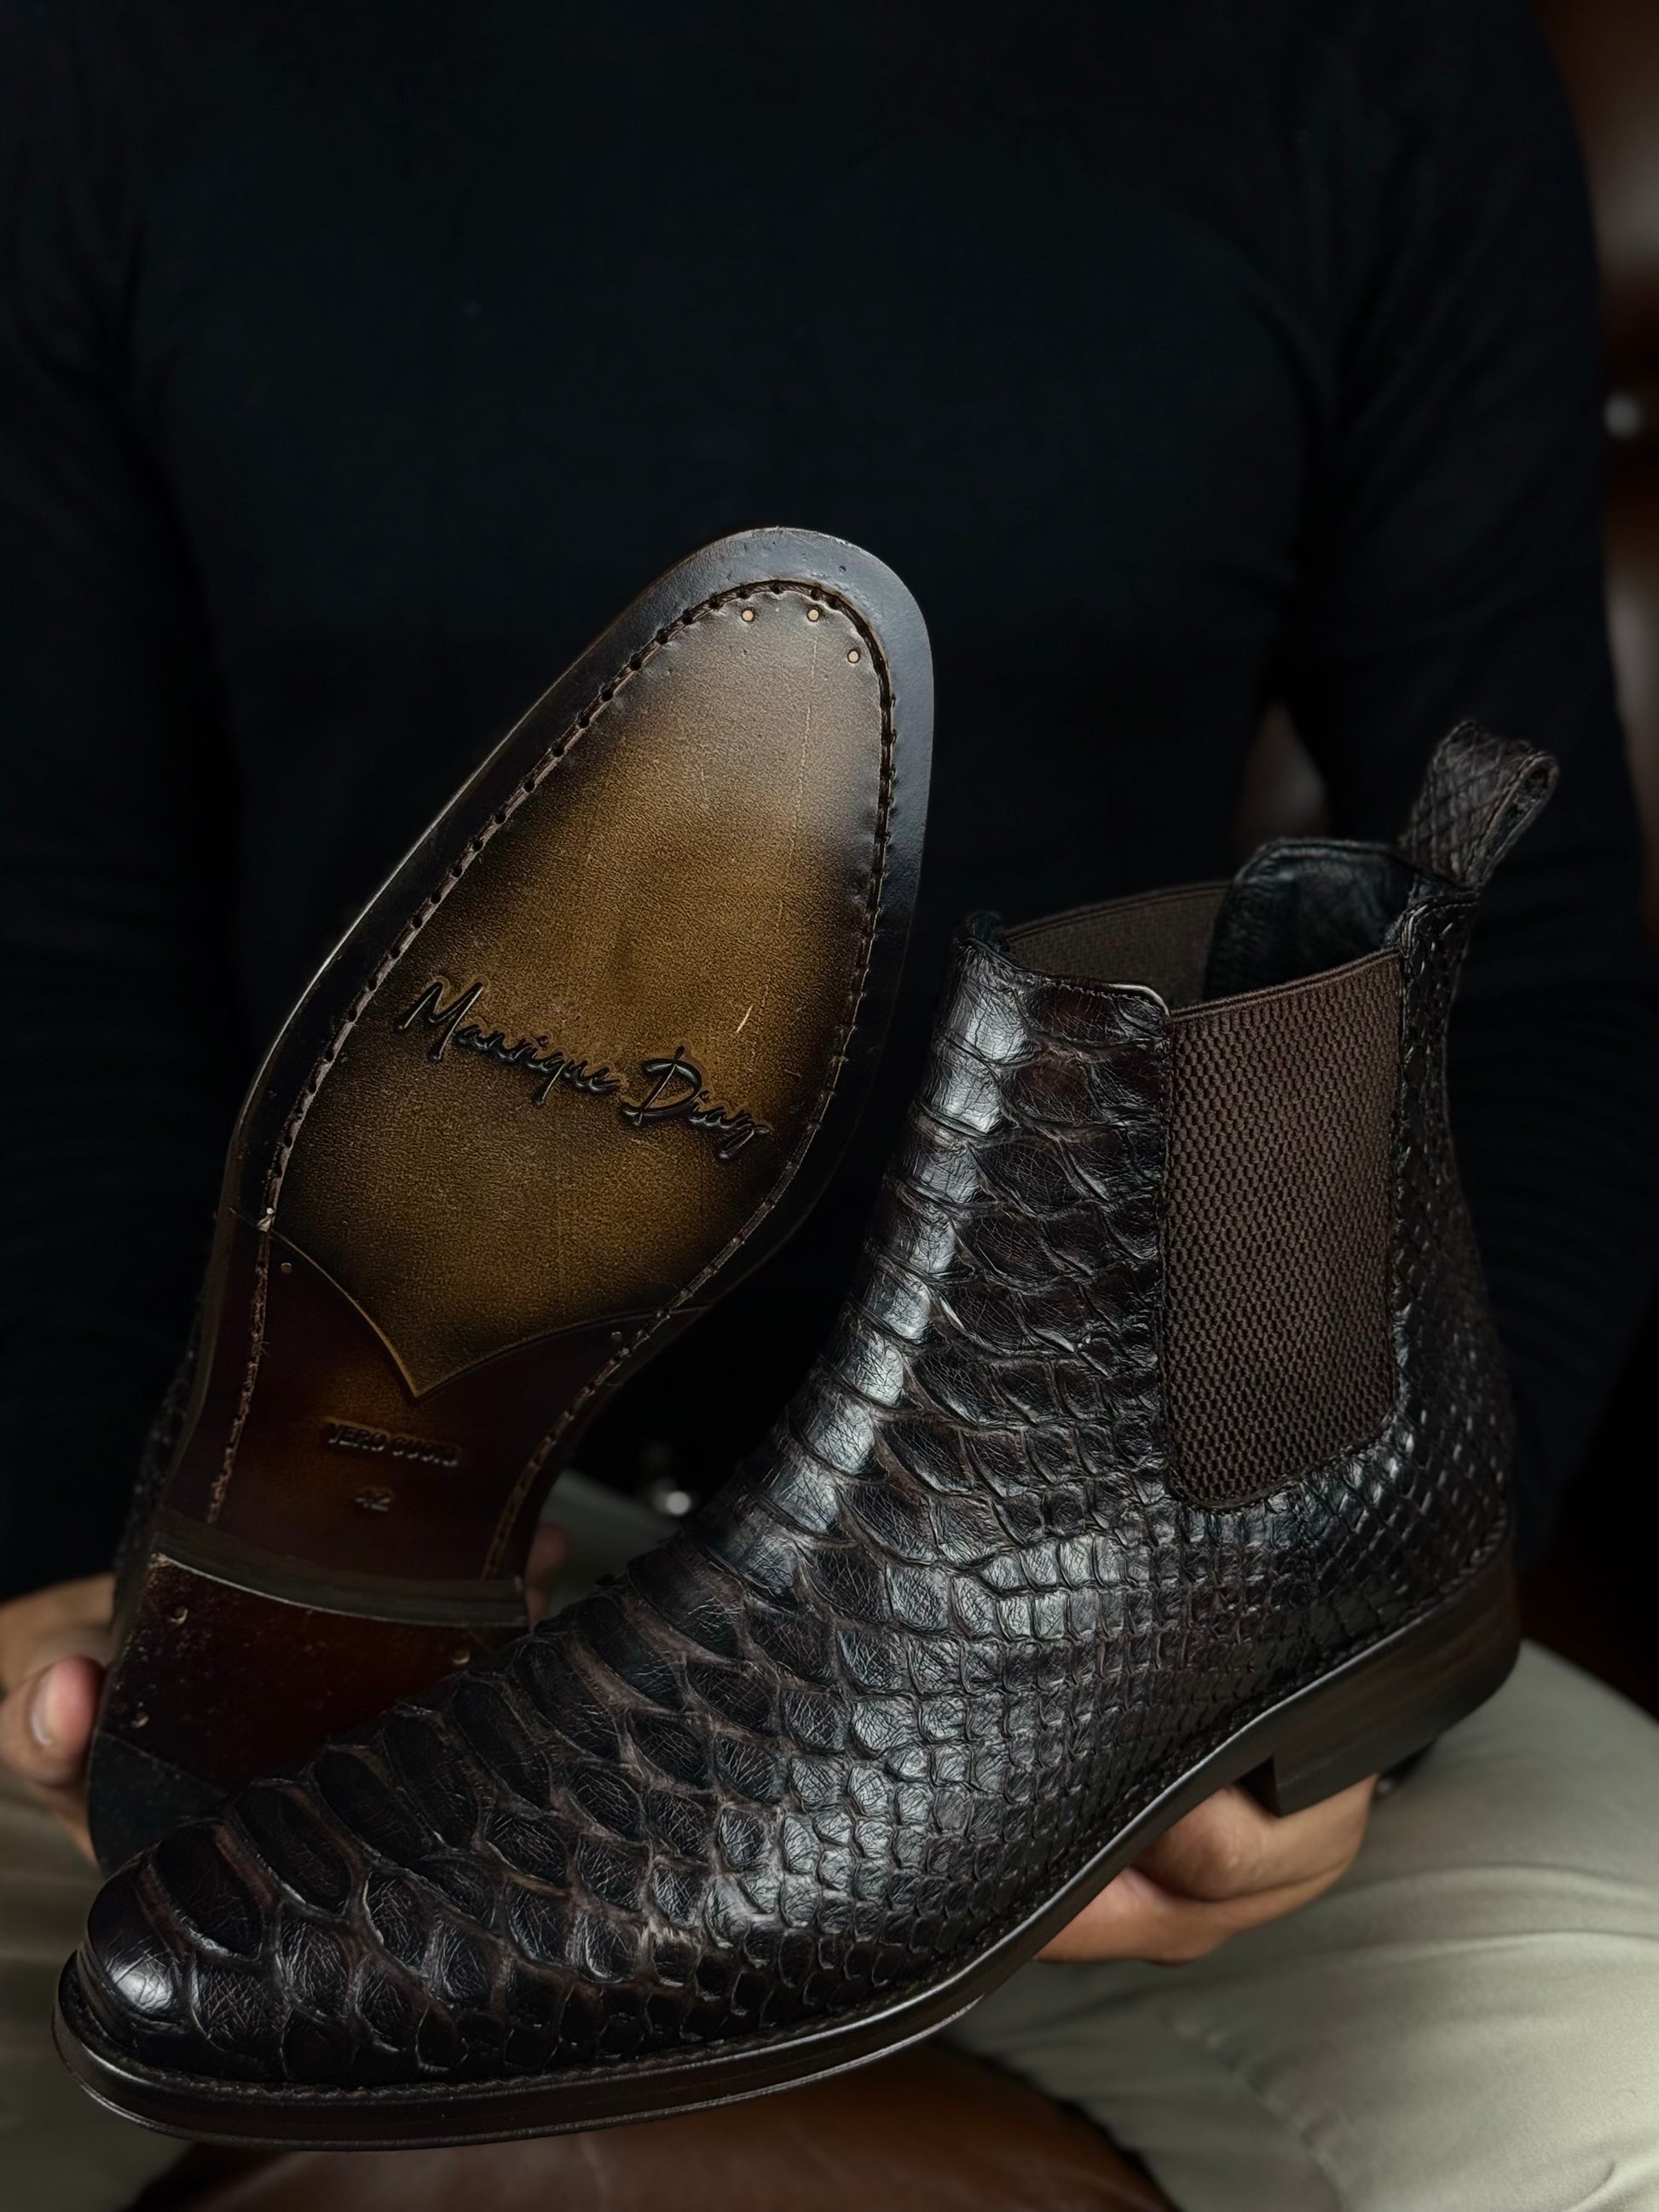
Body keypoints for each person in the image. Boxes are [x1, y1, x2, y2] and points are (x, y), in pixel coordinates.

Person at [2, 3, 1656, 2207]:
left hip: (1083, 1582)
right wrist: (51, 1548)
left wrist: (1320, 1617)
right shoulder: (111, 66)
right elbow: (61, 951)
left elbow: (1524, 973)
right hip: (315, 1579)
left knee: (1622, 2097)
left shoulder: (1362, 64)